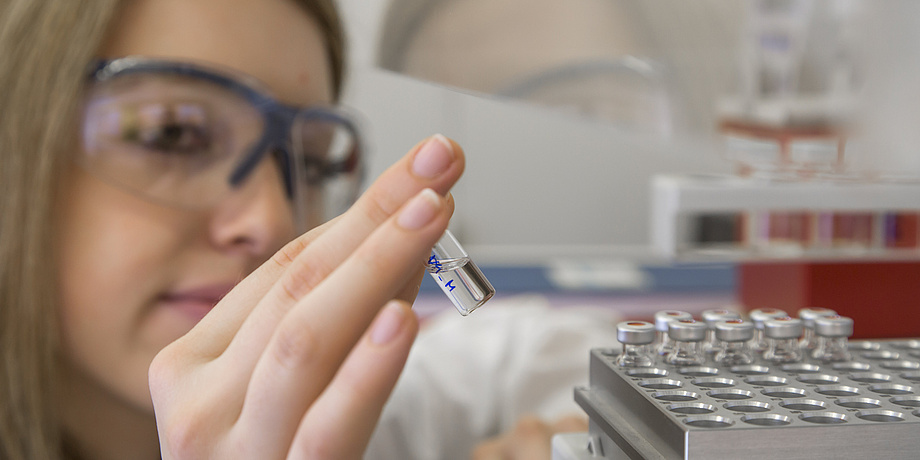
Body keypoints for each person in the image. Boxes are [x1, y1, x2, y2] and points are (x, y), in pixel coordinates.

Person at [1, 0, 600, 458]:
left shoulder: (333, 420)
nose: (274, 222)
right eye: (174, 135)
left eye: (311, 162)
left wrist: (575, 432)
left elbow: (540, 353)